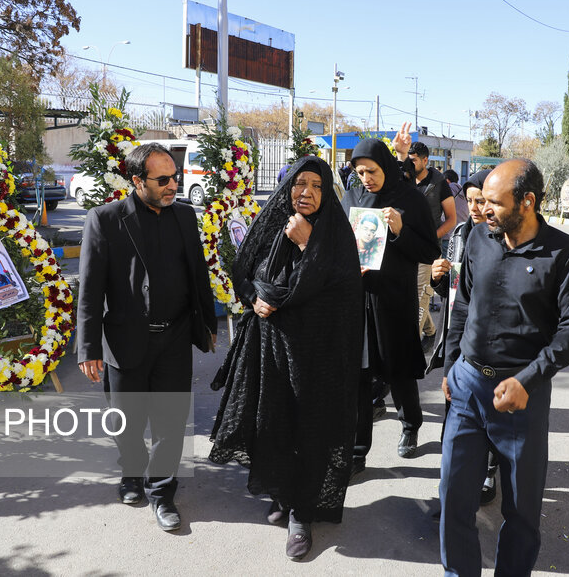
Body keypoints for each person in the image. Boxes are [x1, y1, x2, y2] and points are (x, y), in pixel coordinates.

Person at [439, 159, 569, 576]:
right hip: (467, 387)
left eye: (493, 202)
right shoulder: (477, 240)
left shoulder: (564, 254)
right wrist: (452, 366)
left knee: (522, 512)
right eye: (481, 200)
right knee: (454, 499)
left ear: (527, 201)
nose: (483, 209)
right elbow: (462, 305)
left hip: (523, 396)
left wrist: (528, 379)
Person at [210, 156, 363, 561]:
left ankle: (302, 513)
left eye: (316, 184)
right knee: (272, 424)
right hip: (269, 351)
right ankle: (282, 492)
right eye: (299, 183)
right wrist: (256, 297)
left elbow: (344, 294)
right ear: (287, 187)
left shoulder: (335, 234)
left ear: (327, 191)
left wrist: (307, 243)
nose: (306, 192)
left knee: (308, 431)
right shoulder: (271, 221)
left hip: (317, 357)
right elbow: (242, 272)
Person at [77, 142, 217, 532]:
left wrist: (206, 324)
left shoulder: (186, 217)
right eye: (164, 179)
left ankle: (162, 493)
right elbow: (89, 290)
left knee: (171, 422)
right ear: (137, 181)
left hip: (173, 338)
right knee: (127, 421)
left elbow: (197, 274)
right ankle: (131, 473)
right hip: (124, 342)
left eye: (176, 177)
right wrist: (88, 347)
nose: (174, 185)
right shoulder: (105, 220)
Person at [342, 138, 439, 467]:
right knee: (359, 375)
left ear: (385, 166)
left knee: (399, 371)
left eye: (372, 170)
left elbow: (429, 251)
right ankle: (357, 452)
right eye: (360, 171)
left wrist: (400, 231)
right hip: (357, 299)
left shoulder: (409, 199)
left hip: (393, 299)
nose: (366, 177)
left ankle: (410, 425)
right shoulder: (353, 195)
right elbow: (340, 238)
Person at [427, 168, 499, 506]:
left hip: (490, 346)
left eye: (481, 200)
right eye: (469, 200)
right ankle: (454, 480)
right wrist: (438, 277)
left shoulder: (502, 237)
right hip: (457, 336)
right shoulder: (459, 233)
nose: (473, 206)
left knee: (488, 418)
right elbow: (453, 293)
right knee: (454, 408)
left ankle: (487, 470)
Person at [393, 139, 456, 341]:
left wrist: (430, 237)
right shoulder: (403, 180)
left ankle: (410, 345)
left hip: (427, 252)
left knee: (421, 297)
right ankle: (430, 330)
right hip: (402, 249)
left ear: (425, 160)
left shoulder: (439, 184)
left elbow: (452, 219)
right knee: (408, 296)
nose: (409, 164)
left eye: (413, 160)